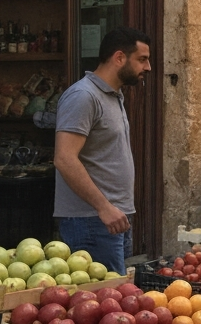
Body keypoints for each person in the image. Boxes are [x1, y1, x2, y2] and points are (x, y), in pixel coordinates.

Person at [53, 26, 152, 275]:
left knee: (116, 301)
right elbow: (64, 158)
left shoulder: (112, 95)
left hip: (113, 219)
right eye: (142, 59)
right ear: (119, 58)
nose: (148, 67)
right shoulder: (83, 96)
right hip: (91, 221)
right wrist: (103, 207)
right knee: (103, 303)